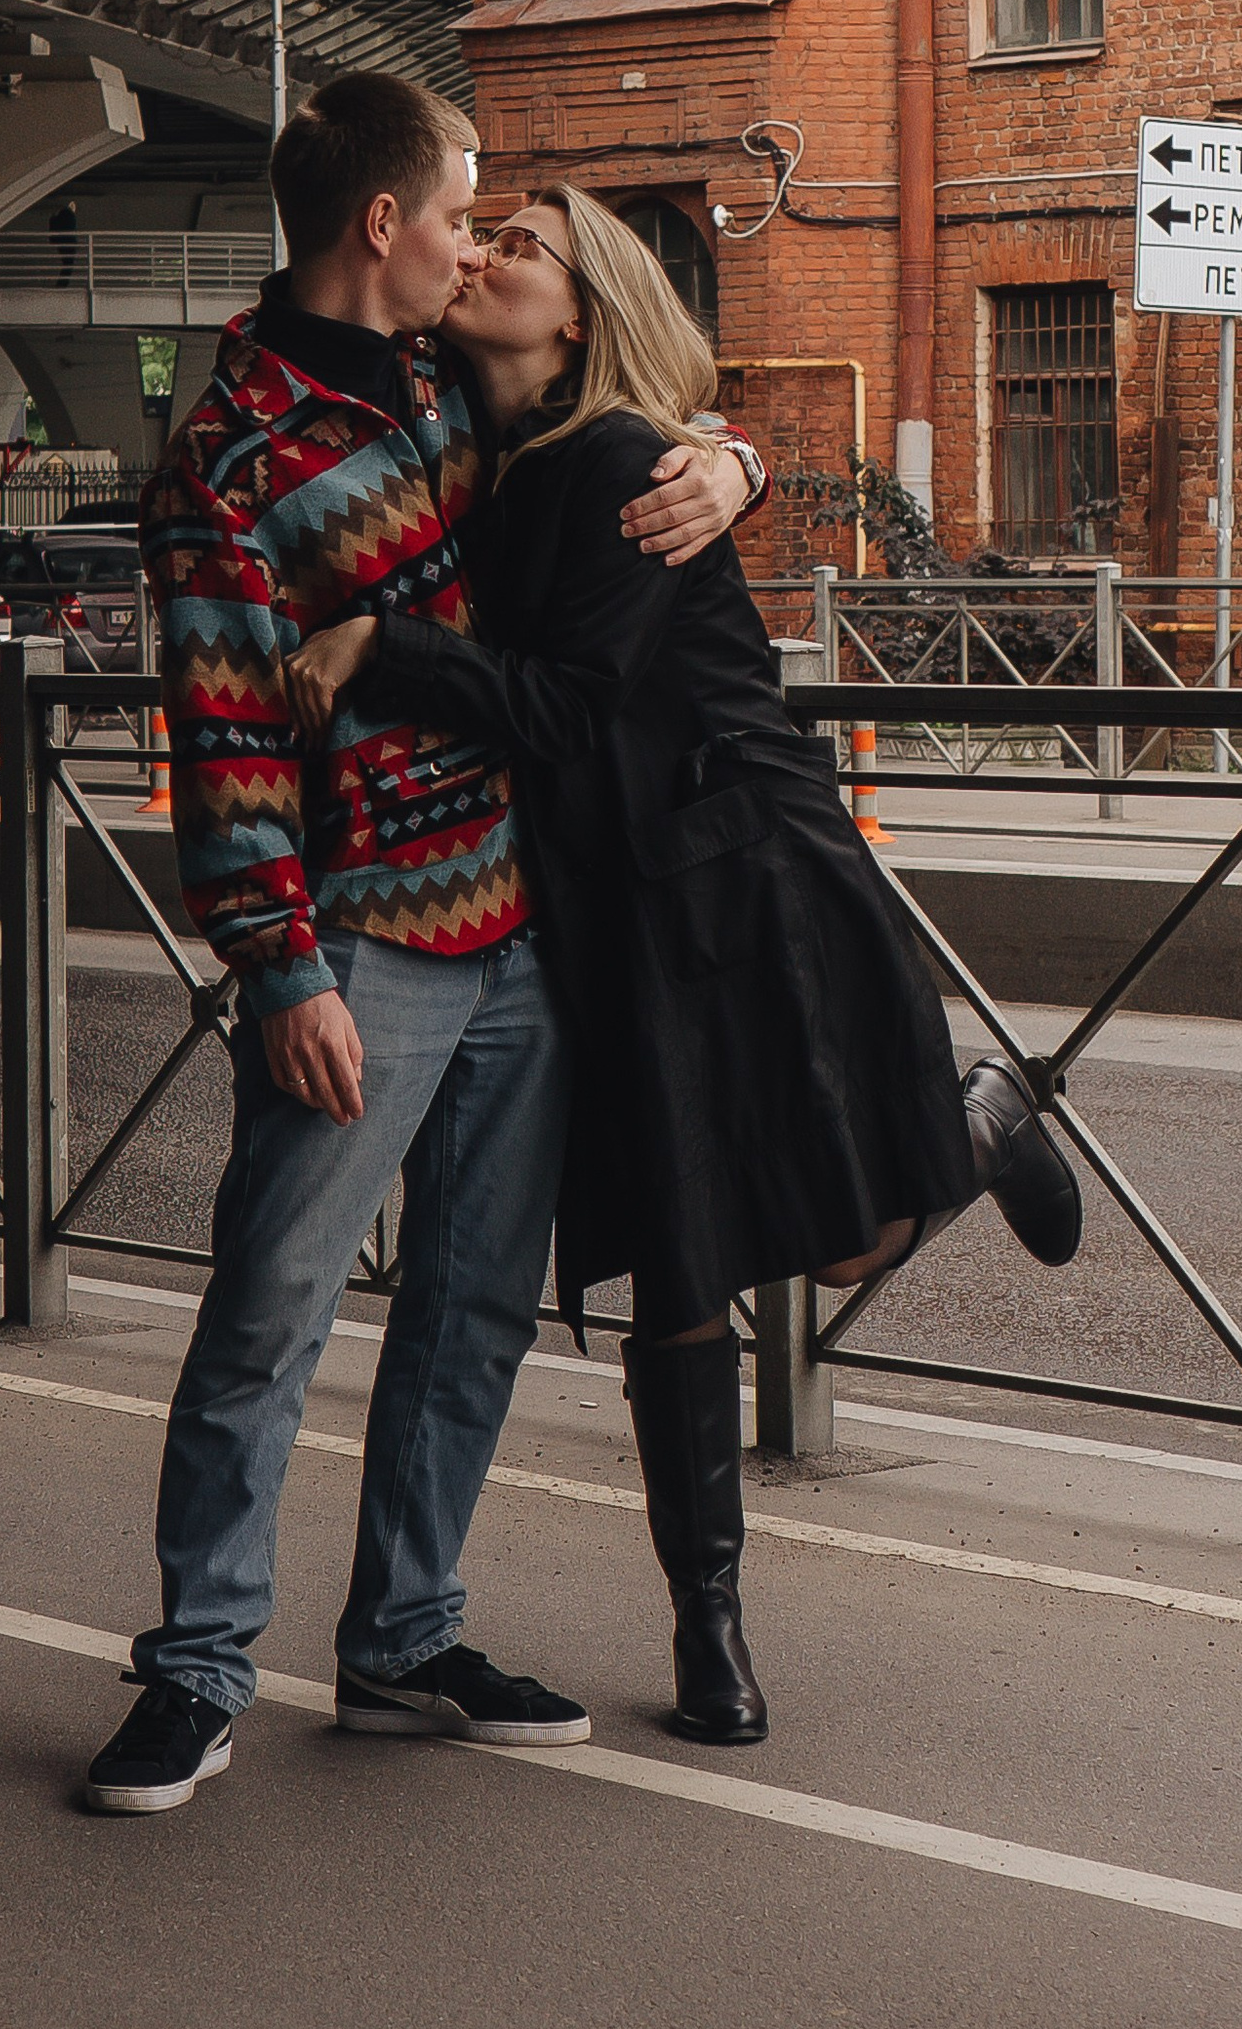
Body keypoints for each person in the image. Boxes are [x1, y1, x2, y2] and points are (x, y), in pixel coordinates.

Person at [287, 182, 1081, 1751]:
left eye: (526, 247)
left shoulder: (609, 466)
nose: (490, 252)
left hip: (744, 875)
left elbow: (577, 703)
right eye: (486, 232)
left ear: (579, 314)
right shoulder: (474, 448)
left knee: (841, 1246)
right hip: (607, 904)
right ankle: (709, 1631)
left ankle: (981, 1122)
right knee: (677, 1264)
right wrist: (740, 454)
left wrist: (384, 645)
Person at [82, 77, 757, 1815]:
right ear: (382, 223)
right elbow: (223, 733)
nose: (478, 240)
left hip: (522, 929)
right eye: (462, 208)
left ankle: (403, 1636)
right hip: (364, 946)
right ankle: (197, 1670)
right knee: (271, 1312)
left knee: (473, 1317)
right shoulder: (227, 452)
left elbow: (631, 405)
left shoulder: (464, 387)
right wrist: (279, 964)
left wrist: (736, 462)